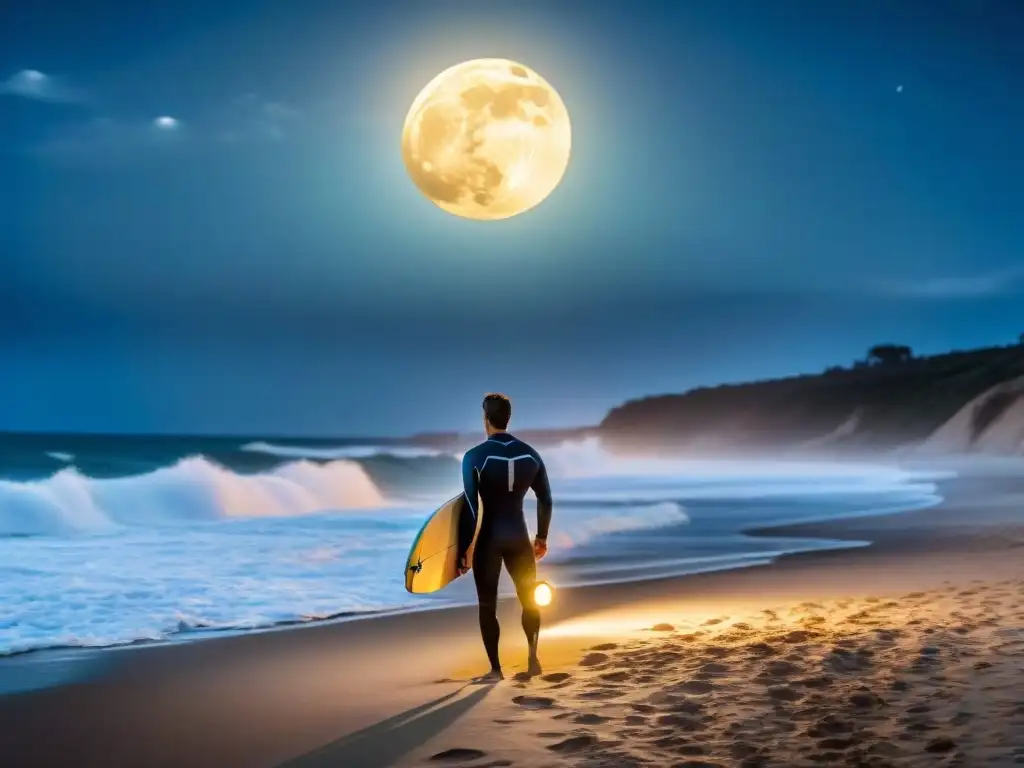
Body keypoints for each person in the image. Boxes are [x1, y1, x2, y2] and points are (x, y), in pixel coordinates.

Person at [458, 392, 552, 682]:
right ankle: (533, 660)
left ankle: (495, 670)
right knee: (529, 601)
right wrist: (541, 538)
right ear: (508, 418)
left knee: (488, 604)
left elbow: (472, 508)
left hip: (490, 539)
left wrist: (466, 548)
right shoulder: (531, 454)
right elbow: (545, 499)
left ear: (485, 419)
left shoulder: (474, 457)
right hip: (520, 537)